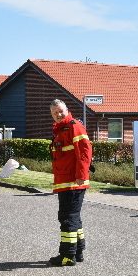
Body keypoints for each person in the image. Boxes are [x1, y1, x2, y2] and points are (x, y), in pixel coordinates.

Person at [48, 98, 93, 267]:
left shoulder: (74, 126)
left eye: (60, 111)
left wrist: (81, 175)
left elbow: (84, 152)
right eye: (54, 113)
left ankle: (67, 256)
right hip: (65, 181)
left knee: (67, 218)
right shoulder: (61, 129)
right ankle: (79, 251)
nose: (58, 115)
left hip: (73, 182)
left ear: (67, 110)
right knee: (73, 217)